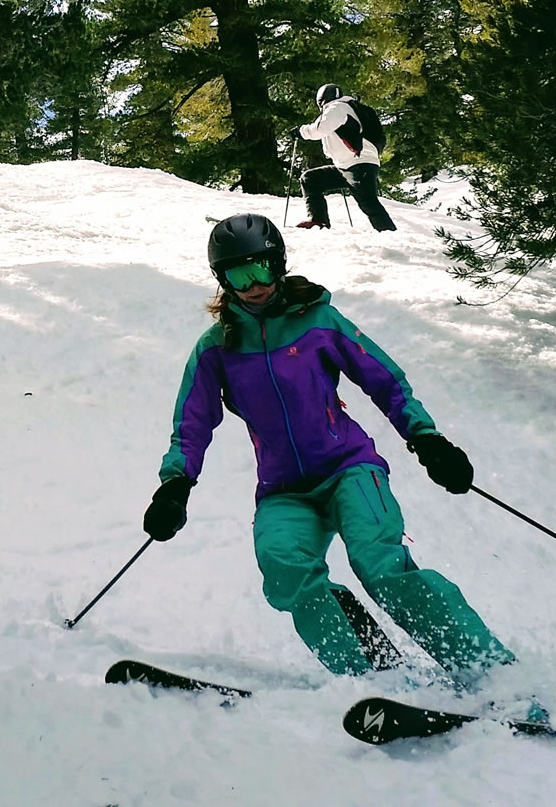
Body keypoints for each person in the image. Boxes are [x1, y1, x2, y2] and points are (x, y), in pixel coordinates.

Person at [142, 214, 514, 684]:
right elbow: (191, 424)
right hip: (284, 491)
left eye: (261, 269)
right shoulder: (217, 348)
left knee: (379, 566)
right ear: (223, 280)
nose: (253, 285)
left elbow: (386, 381)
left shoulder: (318, 322)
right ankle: (373, 676)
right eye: (239, 274)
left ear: (279, 264)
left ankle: (488, 671)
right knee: (285, 568)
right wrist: (175, 485)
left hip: (350, 470)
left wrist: (427, 439)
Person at [294, 83, 395, 232]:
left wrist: (301, 132)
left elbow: (320, 129)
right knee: (310, 179)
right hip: (347, 165)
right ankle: (318, 221)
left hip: (358, 163)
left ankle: (389, 233)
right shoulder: (347, 108)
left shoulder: (337, 107)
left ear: (321, 100)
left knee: (368, 202)